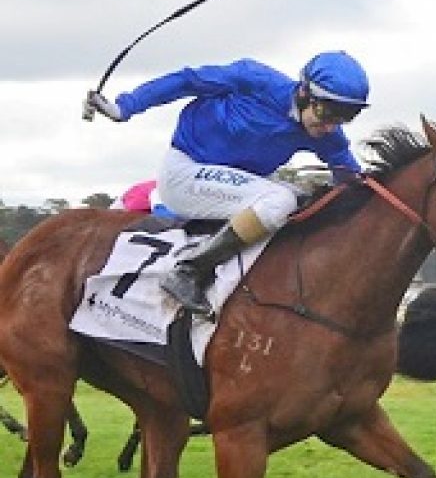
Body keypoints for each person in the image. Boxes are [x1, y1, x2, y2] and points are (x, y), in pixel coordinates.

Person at [84, 52, 370, 316]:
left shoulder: (326, 134)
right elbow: (186, 81)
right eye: (327, 113)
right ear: (305, 92)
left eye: (344, 118)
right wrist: (124, 107)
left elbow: (351, 180)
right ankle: (189, 271)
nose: (331, 126)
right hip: (184, 173)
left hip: (234, 187)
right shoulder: (254, 79)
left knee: (305, 200)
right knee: (280, 201)